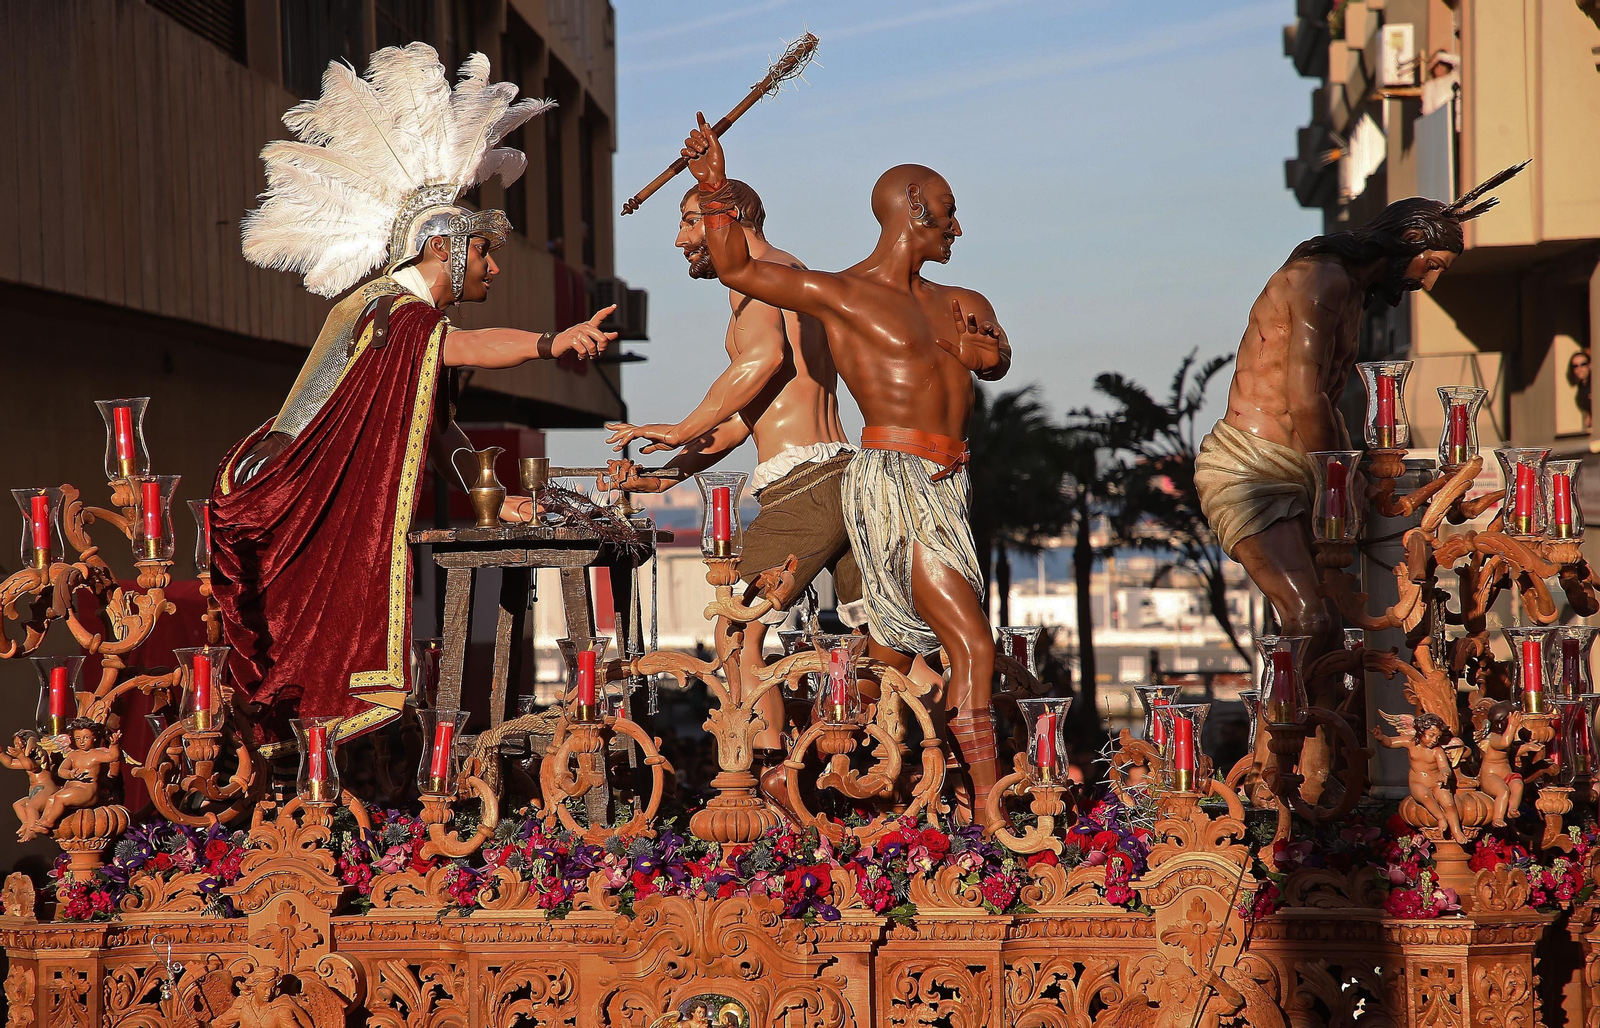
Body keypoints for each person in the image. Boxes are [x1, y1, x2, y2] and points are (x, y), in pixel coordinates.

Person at [210, 44, 616, 747]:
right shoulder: (398, 316)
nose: (492, 267)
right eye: (482, 251)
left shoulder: (401, 322)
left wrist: (494, 499)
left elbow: (434, 429)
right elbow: (471, 347)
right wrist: (553, 342)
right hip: (283, 503)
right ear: (439, 248)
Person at [679, 114, 1011, 815]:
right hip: (894, 485)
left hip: (952, 487)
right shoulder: (845, 293)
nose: (957, 227)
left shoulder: (963, 302)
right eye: (947, 211)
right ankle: (991, 813)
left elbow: (999, 356)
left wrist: (988, 356)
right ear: (912, 208)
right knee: (972, 645)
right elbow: (738, 269)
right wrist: (714, 188)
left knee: (889, 658)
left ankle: (812, 774)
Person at [1197, 162, 1528, 666]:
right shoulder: (1319, 280)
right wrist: (1339, 478)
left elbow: (1325, 401)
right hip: (1254, 467)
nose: (1428, 283)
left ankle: (1322, 714)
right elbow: (1305, 398)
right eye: (1431, 264)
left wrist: (1352, 474)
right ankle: (1286, 717)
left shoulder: (1350, 291)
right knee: (1311, 619)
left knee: (1337, 623)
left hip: (1303, 466)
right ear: (1409, 241)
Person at [602, 180, 861, 801]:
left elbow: (762, 360)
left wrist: (680, 426)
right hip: (836, 477)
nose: (680, 239)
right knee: (870, 637)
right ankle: (917, 767)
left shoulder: (764, 280)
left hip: (804, 484)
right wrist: (666, 473)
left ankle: (761, 782)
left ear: (730, 220)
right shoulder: (790, 279)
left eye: (691, 221)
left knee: (735, 630)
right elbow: (746, 418)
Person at [1371, 712, 1467, 844]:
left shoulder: (1437, 751)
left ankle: (1456, 830)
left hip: (1437, 783)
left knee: (1449, 804)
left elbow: (1445, 767)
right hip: (1418, 783)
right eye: (1431, 735)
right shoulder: (1410, 742)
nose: (1434, 740)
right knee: (1425, 796)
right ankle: (1440, 817)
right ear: (1420, 731)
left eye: (1438, 737)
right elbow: (1390, 742)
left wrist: (1444, 773)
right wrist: (1381, 738)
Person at [22, 719, 120, 841]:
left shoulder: (97, 754)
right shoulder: (73, 755)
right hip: (73, 788)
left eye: (86, 737)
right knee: (51, 799)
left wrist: (114, 744)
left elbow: (113, 756)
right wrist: (71, 774)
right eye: (78, 738)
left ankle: (49, 821)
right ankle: (43, 823)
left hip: (87, 790)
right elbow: (61, 771)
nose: (82, 741)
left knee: (60, 797)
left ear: (94, 737)